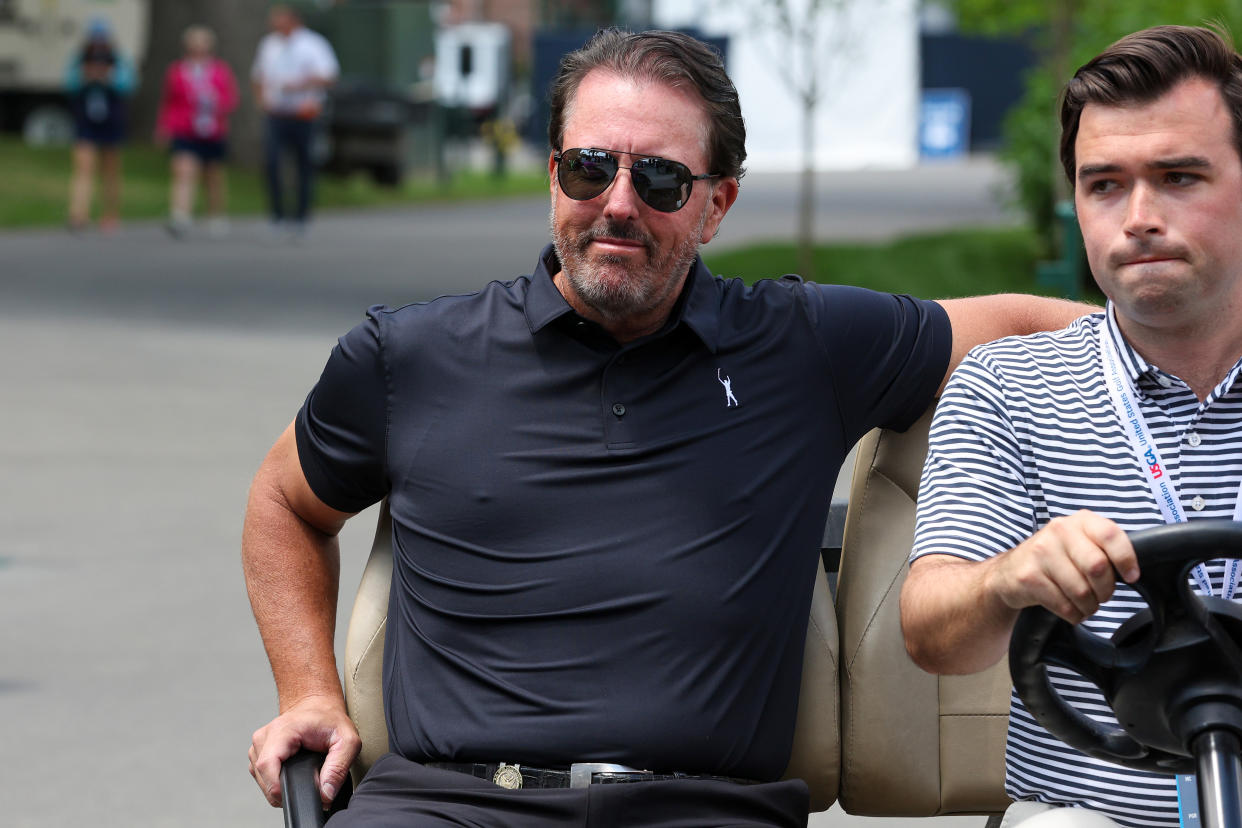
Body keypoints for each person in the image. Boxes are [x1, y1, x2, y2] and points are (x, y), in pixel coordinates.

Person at [243, 28, 1089, 827]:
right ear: (551, 176)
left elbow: (1029, 322)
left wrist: (1210, 343)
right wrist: (309, 691)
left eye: (658, 181)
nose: (617, 204)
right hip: (446, 805)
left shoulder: (805, 345)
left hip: (703, 811)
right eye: (588, 169)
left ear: (716, 204)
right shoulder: (410, 356)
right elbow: (285, 504)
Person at [901, 24, 1242, 828]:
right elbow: (931, 633)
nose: (1140, 217)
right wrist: (1007, 579)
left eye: (1179, 176)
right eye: (1105, 185)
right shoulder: (1008, 387)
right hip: (1089, 814)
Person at [250, 3, 338, 240]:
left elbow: (329, 76)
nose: (274, 23)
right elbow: (258, 76)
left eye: (278, 18)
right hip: (276, 114)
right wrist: (261, 101)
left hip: (304, 114)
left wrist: (300, 85)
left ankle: (301, 217)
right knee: (272, 163)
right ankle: (277, 216)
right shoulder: (269, 44)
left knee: (304, 165)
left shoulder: (313, 44)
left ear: (292, 19)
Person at [154, 24, 239, 239]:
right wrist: (164, 126)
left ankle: (215, 214)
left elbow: (231, 99)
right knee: (184, 171)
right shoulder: (177, 70)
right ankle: (181, 215)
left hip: (212, 129)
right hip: (185, 128)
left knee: (212, 175)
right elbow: (169, 101)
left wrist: (215, 101)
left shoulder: (220, 70)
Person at [65, 18, 136, 233]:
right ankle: (78, 214)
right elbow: (69, 84)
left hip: (111, 121)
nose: (98, 43)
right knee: (83, 169)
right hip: (86, 119)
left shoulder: (117, 59)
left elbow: (128, 84)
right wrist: (87, 76)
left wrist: (107, 78)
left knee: (110, 170)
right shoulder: (80, 59)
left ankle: (110, 214)